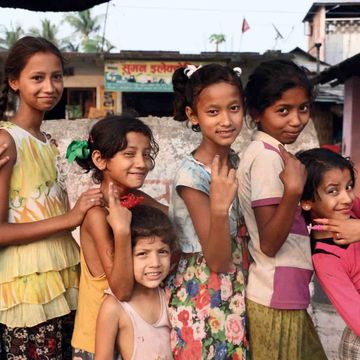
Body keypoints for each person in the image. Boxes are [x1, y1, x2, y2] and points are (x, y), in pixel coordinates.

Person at [0, 36, 103, 359]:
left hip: (65, 276)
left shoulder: (50, 142)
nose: (50, 86)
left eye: (56, 76)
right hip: (26, 288)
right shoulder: (6, 141)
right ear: (14, 82)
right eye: (37, 78)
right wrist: (71, 218)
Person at [237, 59, 327, 359]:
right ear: (256, 114)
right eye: (283, 111)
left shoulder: (276, 153)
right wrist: (292, 192)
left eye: (303, 108)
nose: (296, 120)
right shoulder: (266, 158)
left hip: (287, 294)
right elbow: (270, 243)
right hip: (276, 296)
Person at [167, 64, 248, 359]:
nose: (226, 120)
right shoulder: (192, 176)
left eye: (234, 108)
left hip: (239, 286)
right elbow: (216, 260)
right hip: (206, 294)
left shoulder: (238, 162)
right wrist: (219, 208)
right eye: (213, 112)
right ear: (193, 116)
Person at [69, 115, 166, 359]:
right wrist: (122, 231)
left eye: (145, 154)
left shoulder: (138, 198)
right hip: (96, 343)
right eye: (130, 154)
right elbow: (121, 290)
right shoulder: (96, 214)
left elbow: (180, 219)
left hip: (132, 338)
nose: (142, 163)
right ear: (100, 159)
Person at [95, 188, 175, 360]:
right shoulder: (113, 308)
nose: (155, 263)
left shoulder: (170, 296)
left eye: (162, 252)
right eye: (142, 254)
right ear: (122, 255)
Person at [297, 148, 360, 360]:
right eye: (333, 191)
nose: (347, 198)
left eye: (349, 186)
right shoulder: (326, 258)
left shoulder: (354, 212)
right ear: (307, 202)